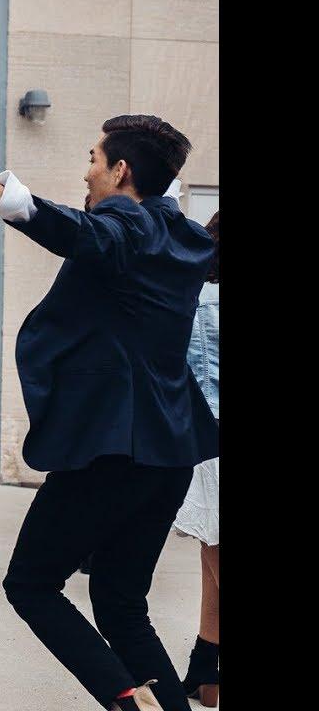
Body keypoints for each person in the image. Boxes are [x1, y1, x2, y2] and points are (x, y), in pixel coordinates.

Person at [0, 115, 218, 711]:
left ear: (121, 171)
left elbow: (94, 235)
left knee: (32, 584)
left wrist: (10, 200)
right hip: (168, 453)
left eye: (93, 158)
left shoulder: (128, 223)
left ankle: (124, 699)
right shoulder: (184, 235)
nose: (85, 171)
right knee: (120, 603)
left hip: (113, 449)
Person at [172, 211, 219, 707]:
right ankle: (207, 672)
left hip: (206, 444)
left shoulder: (191, 299)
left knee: (214, 557)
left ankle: (207, 673)